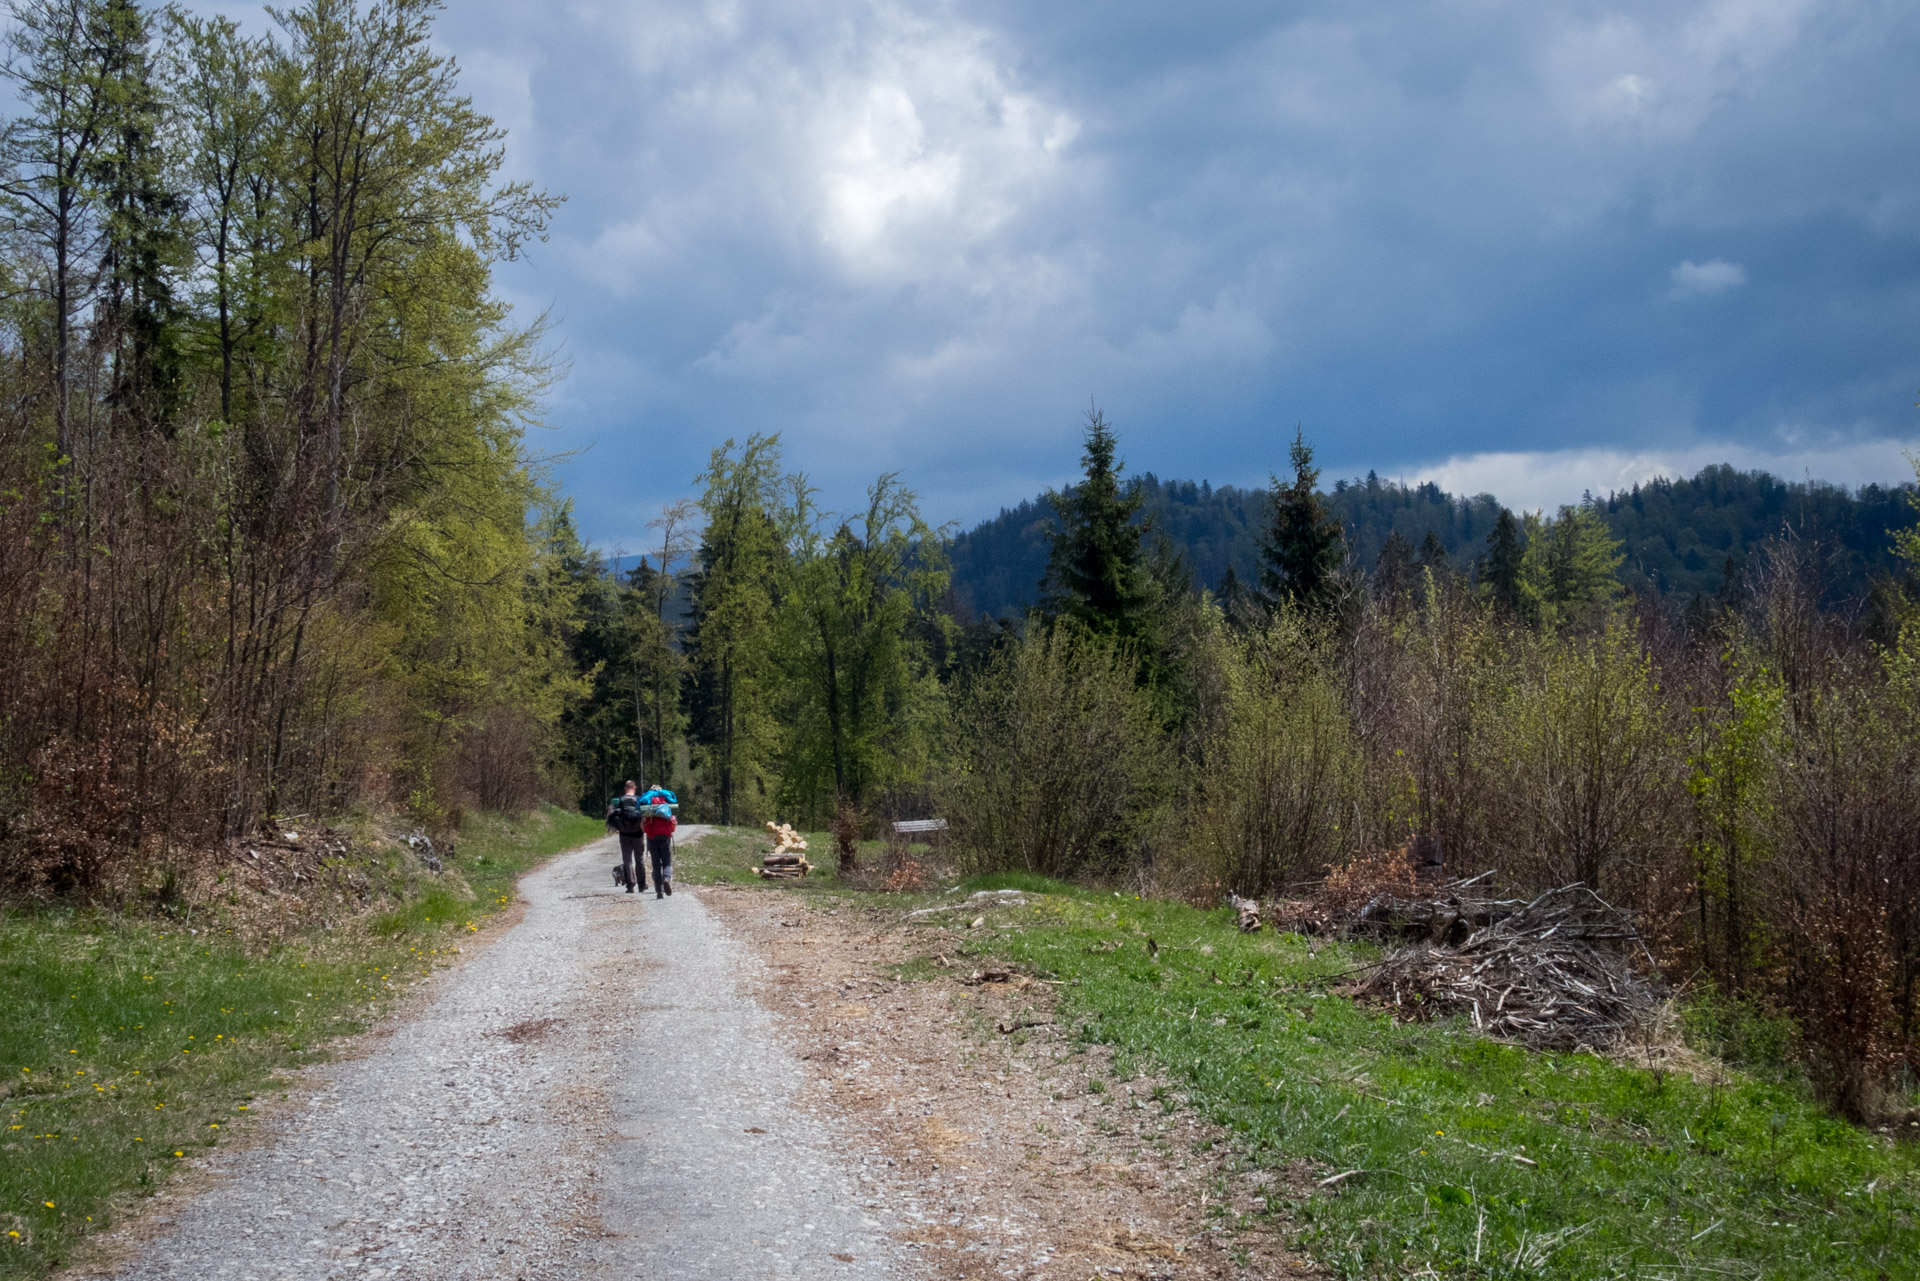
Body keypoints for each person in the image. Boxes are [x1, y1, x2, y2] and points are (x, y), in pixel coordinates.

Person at [605, 781, 649, 894]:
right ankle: (642, 885)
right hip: (638, 835)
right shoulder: (639, 800)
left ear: (625, 788)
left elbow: (613, 818)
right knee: (639, 860)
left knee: (627, 860)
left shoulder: (619, 801)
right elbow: (644, 817)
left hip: (624, 835)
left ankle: (630, 886)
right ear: (634, 788)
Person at [639, 784, 677, 898]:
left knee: (655, 865)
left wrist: (646, 831)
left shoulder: (648, 803)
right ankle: (666, 878)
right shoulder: (666, 802)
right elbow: (673, 823)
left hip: (652, 837)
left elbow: (643, 825)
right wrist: (670, 831)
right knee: (666, 862)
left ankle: (659, 891)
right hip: (665, 836)